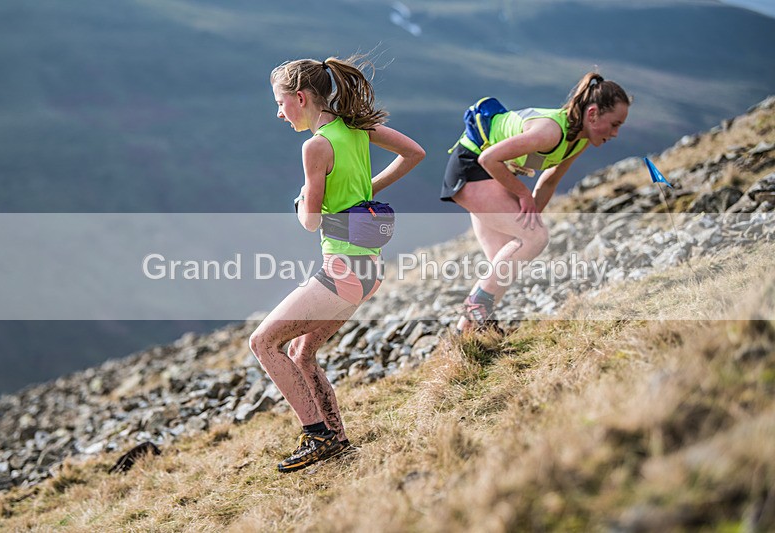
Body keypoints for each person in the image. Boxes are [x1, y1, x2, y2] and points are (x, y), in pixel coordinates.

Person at [249, 56, 425, 472]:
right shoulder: (356, 126)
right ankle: (336, 439)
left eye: (280, 103)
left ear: (300, 97)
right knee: (302, 352)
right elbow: (414, 152)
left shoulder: (316, 145)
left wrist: (301, 202)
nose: (278, 112)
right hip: (370, 271)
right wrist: (366, 190)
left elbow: (310, 221)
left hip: (343, 274)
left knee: (262, 343)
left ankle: (317, 436)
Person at [440, 72, 630, 332]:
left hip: (487, 171)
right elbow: (488, 159)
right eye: (615, 124)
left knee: (504, 260)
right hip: (472, 167)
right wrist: (523, 196)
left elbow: (549, 182)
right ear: (593, 113)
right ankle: (468, 328)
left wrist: (530, 219)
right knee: (535, 239)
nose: (616, 133)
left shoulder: (578, 140)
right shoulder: (550, 132)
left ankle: (471, 332)